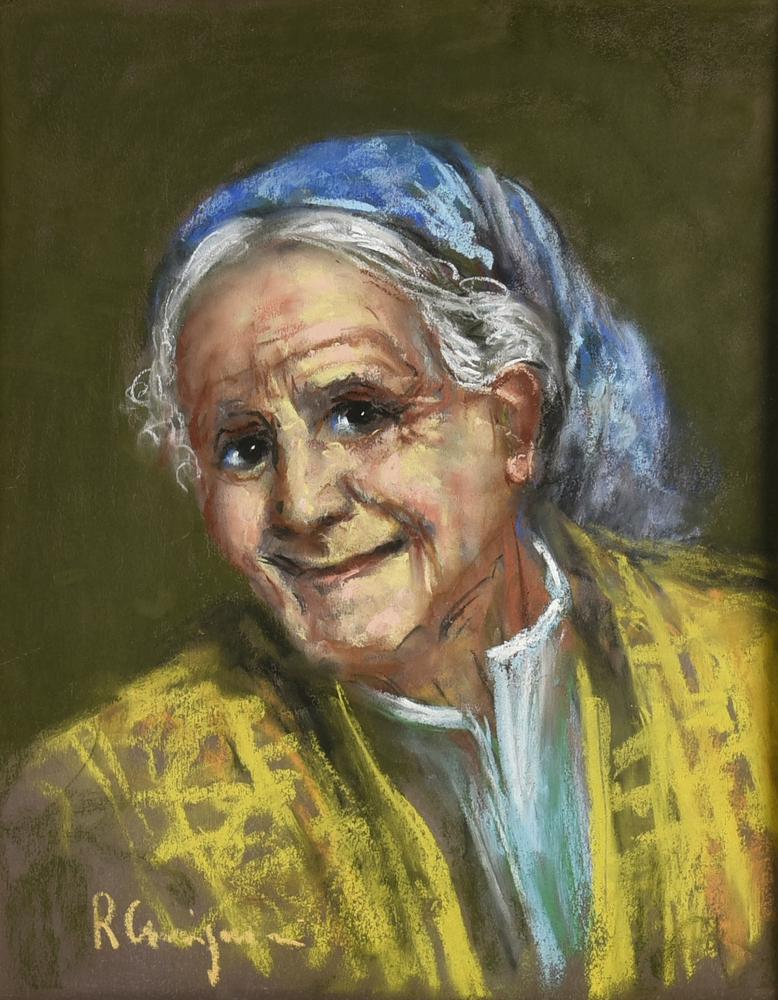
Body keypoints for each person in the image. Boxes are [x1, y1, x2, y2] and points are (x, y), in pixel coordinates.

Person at [1, 134, 775, 999]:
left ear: (512, 424)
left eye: (360, 413)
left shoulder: (746, 672)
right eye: (245, 447)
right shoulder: (102, 815)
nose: (302, 504)